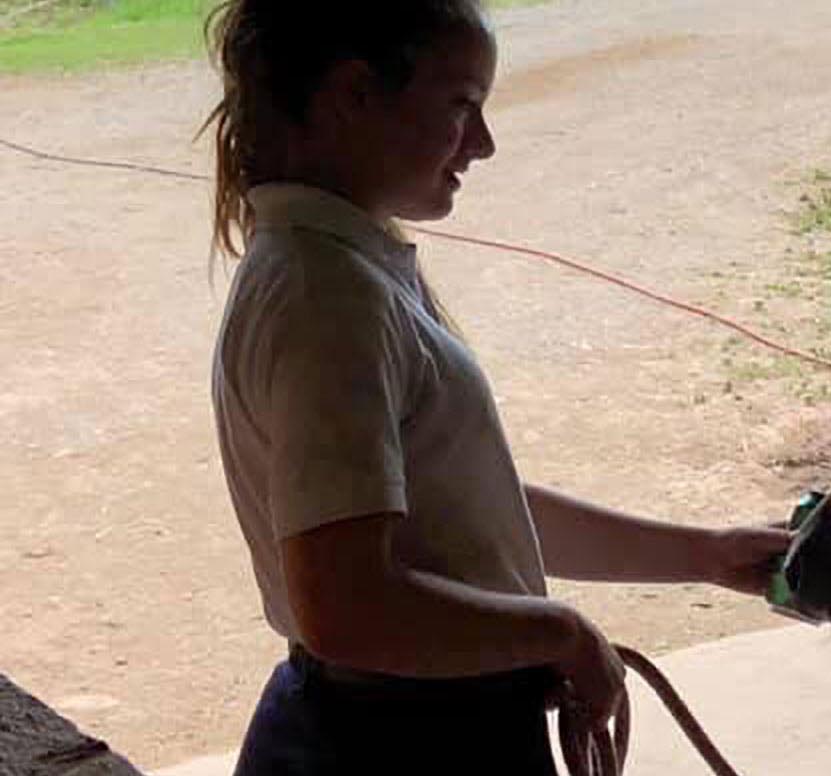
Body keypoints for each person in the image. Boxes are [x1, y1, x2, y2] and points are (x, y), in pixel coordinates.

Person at [201, 2, 791, 772]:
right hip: (411, 744)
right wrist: (560, 633)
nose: (482, 143)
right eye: (461, 107)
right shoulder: (328, 299)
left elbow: (475, 519)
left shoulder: (335, 272)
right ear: (353, 95)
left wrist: (706, 556)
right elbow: (346, 610)